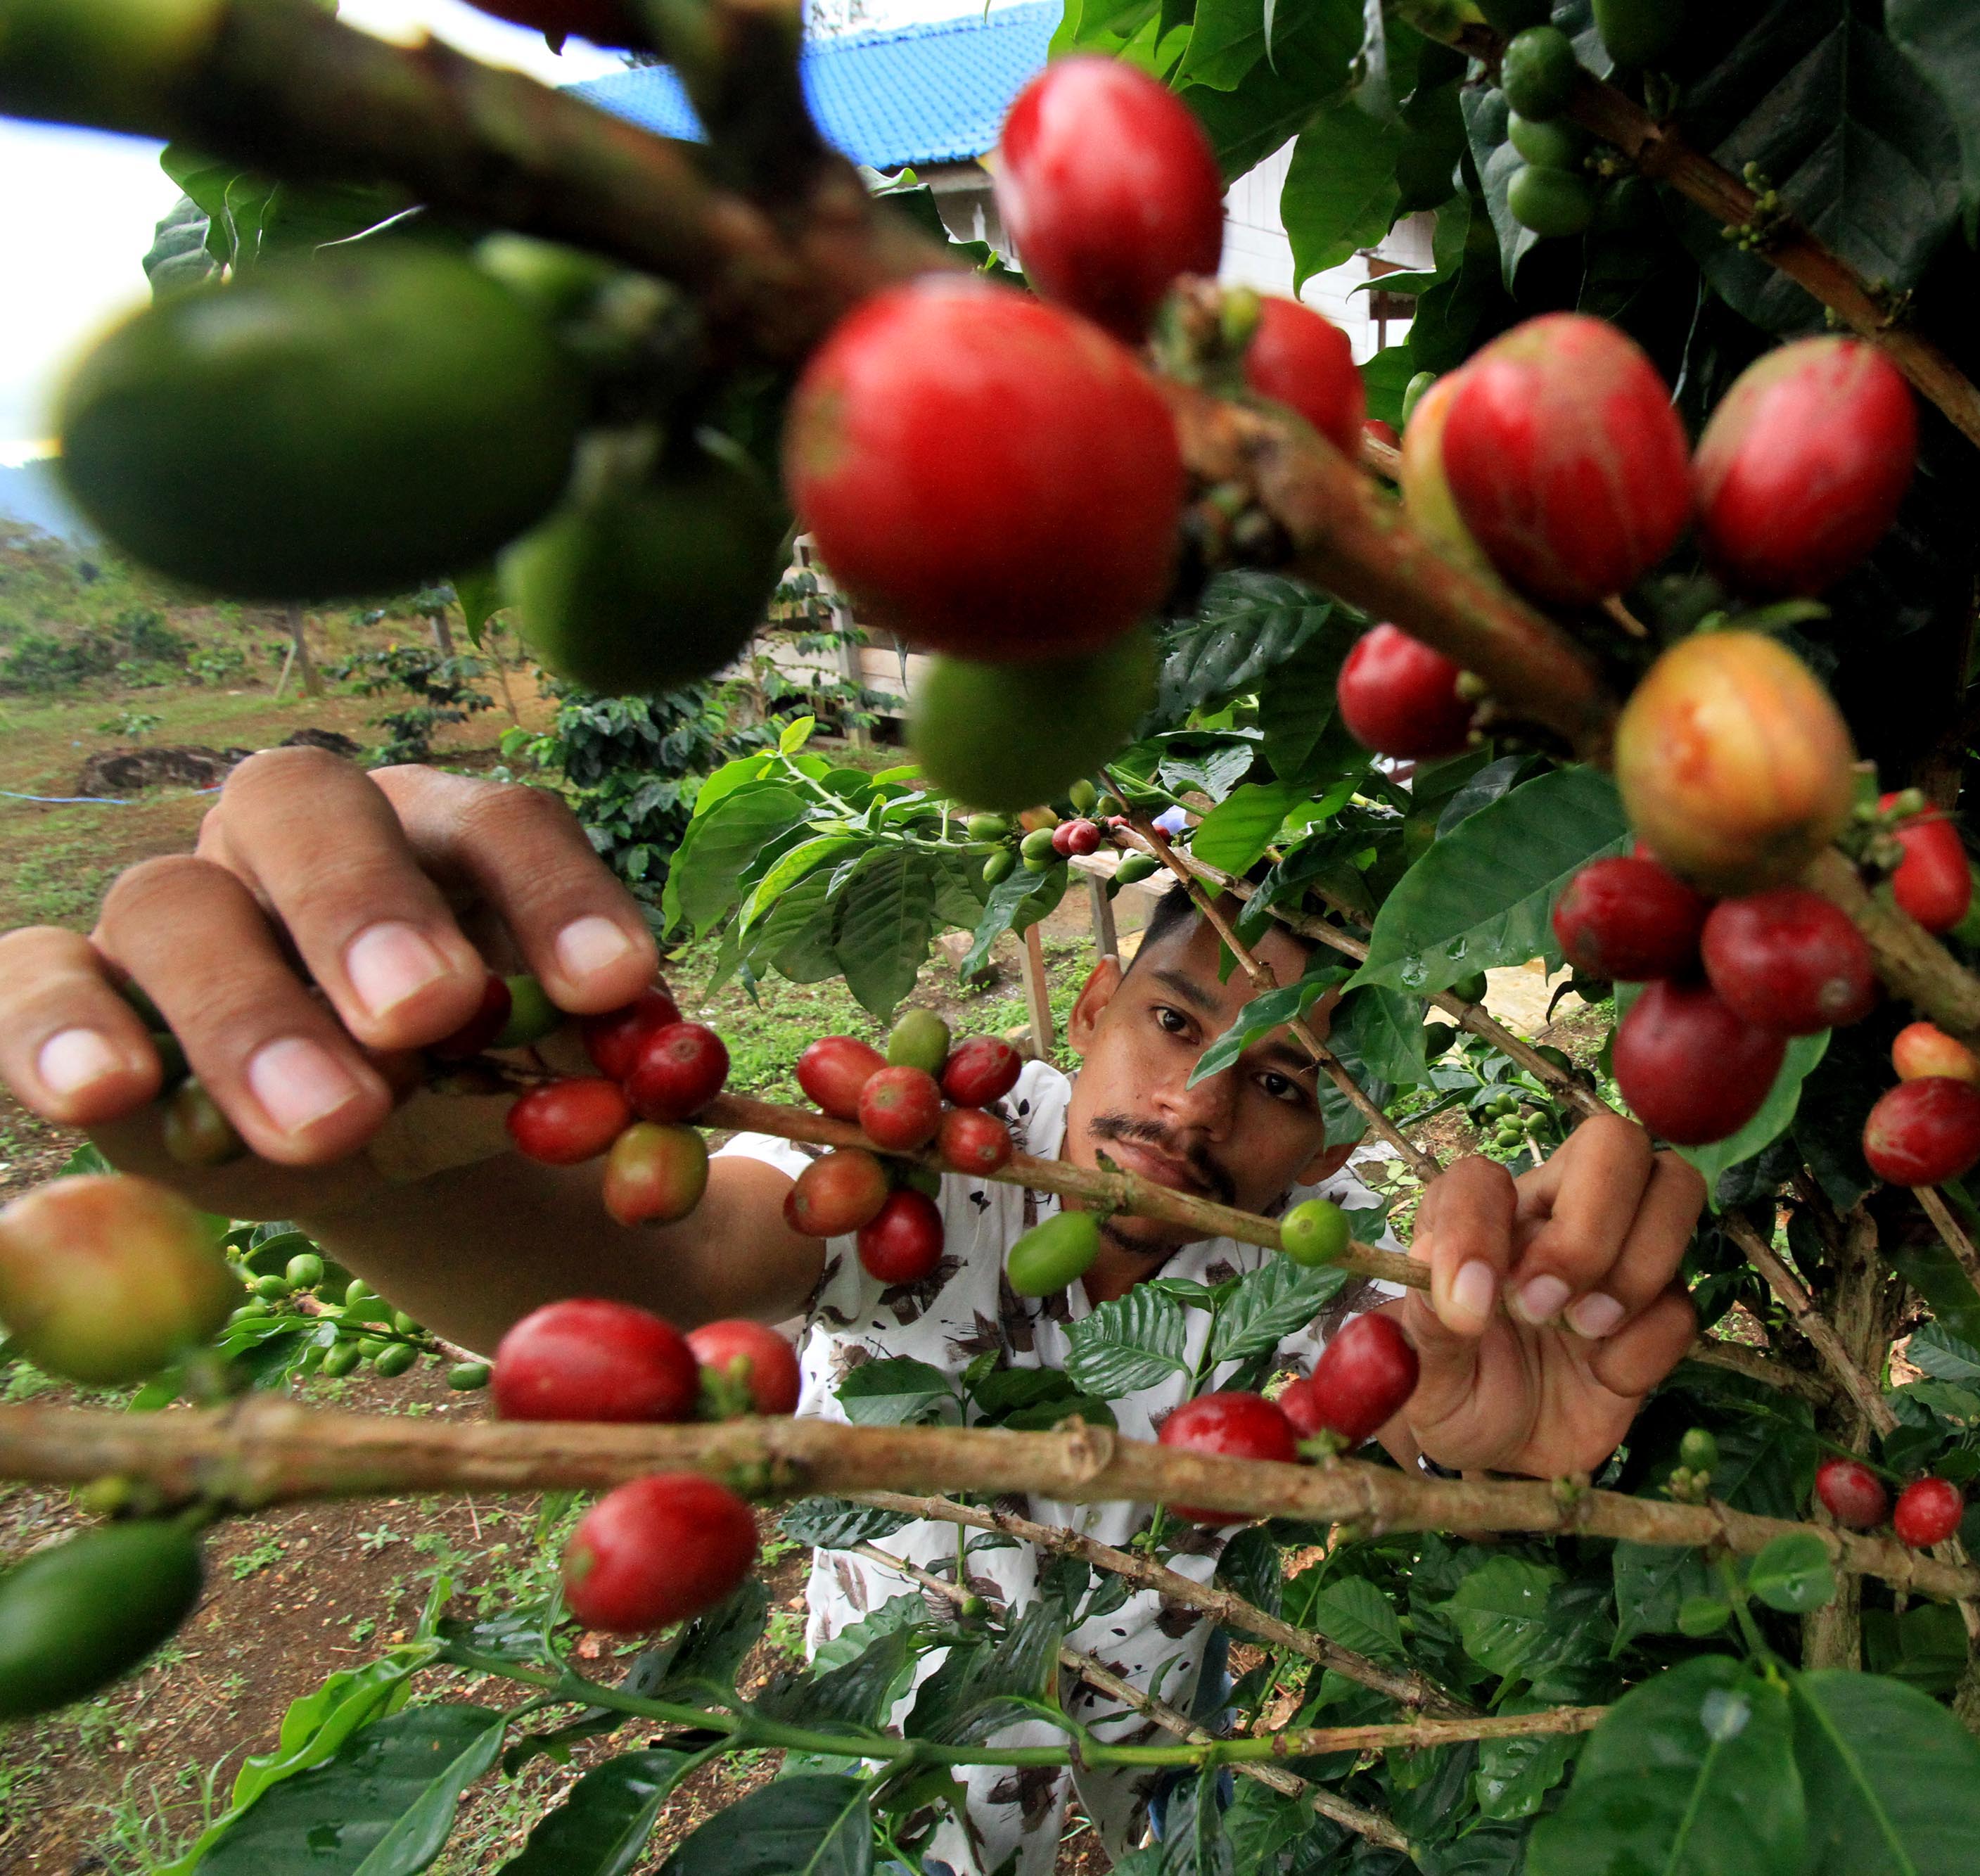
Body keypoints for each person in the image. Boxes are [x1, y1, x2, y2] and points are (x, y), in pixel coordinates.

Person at [0, 750, 1705, 1872]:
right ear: (1098, 998)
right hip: (885, 1764)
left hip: (1146, 1763)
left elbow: (1378, 1416)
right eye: (1175, 1026)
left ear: (1339, 1128)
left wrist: (1473, 1428)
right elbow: (671, 1262)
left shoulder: (1309, 1278)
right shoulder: (907, 1174)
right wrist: (381, 1180)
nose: (1192, 1115)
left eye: (1272, 1083)